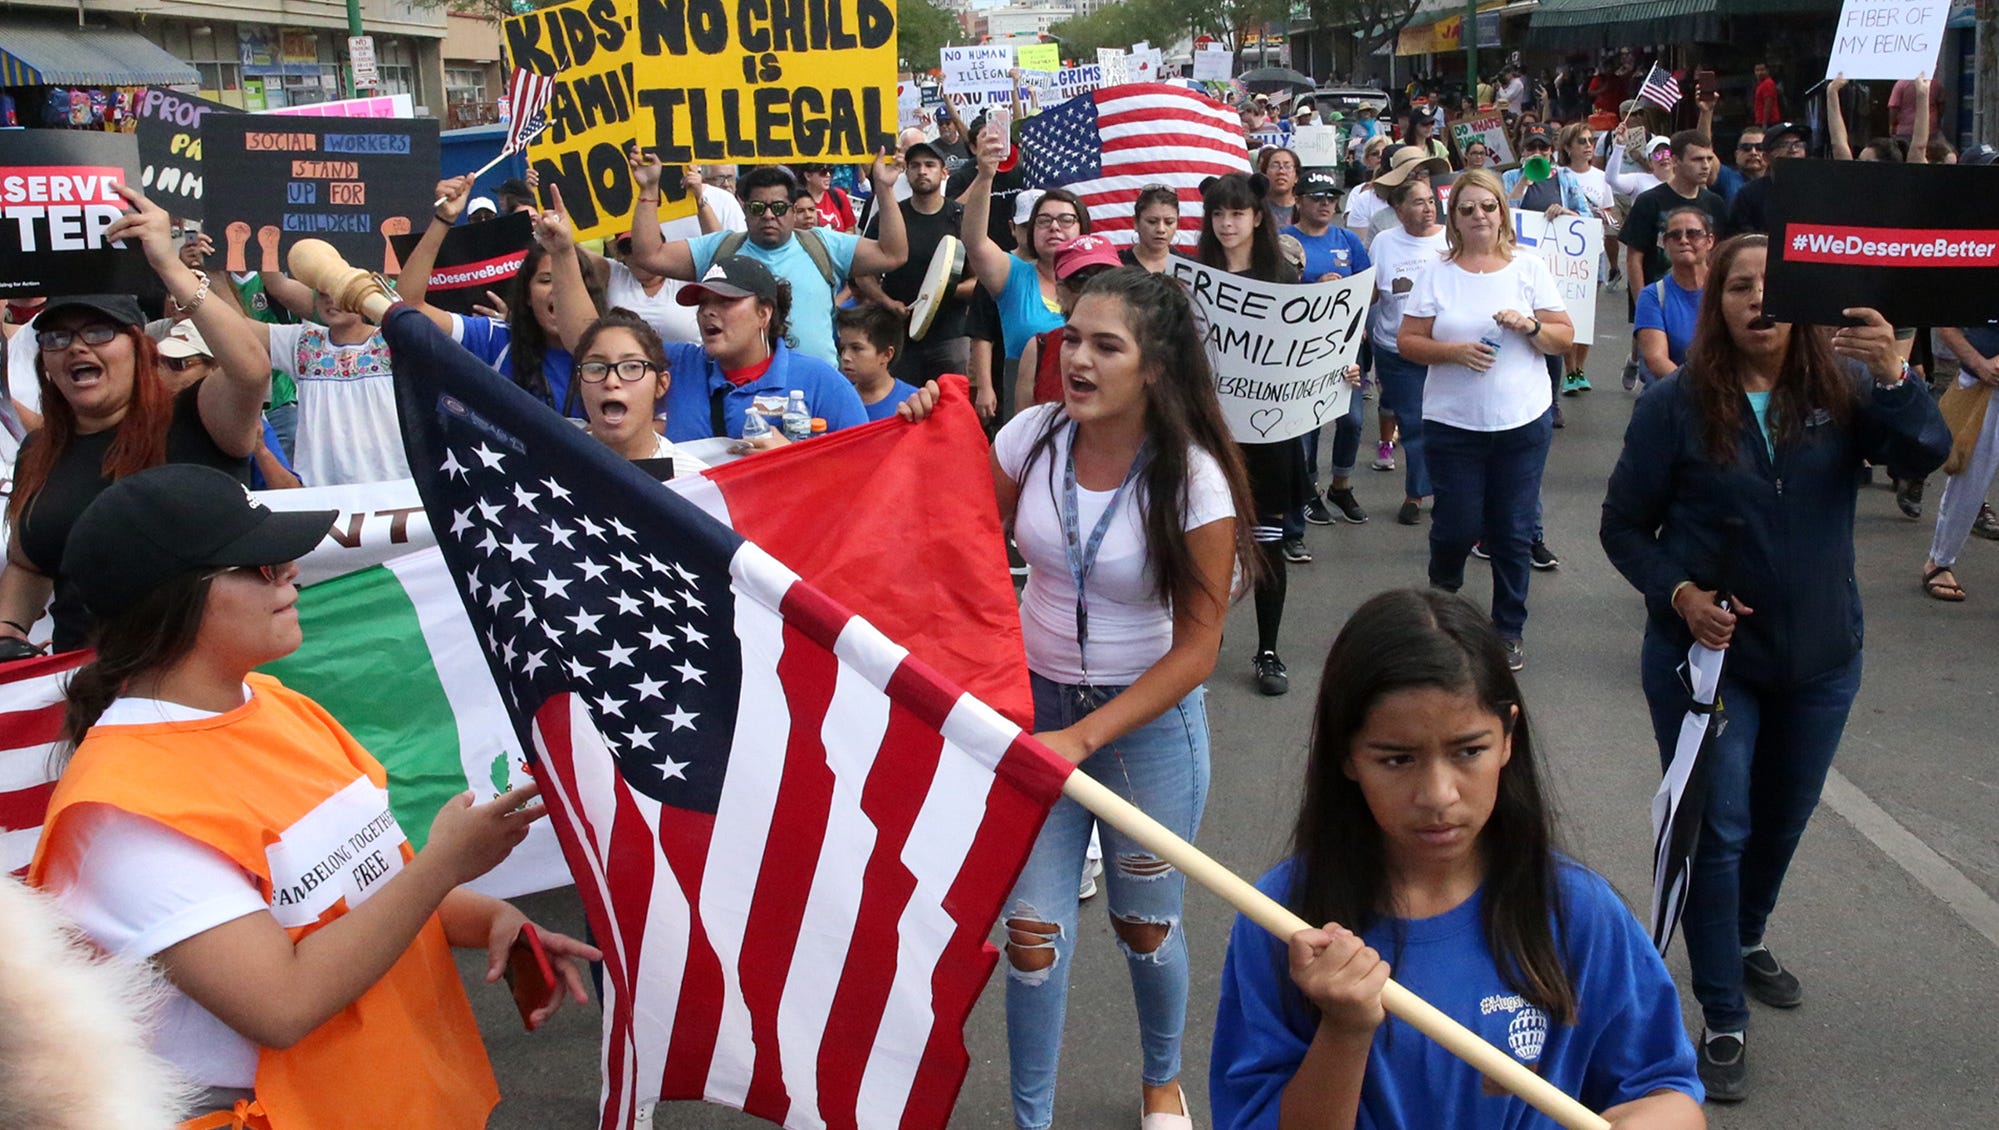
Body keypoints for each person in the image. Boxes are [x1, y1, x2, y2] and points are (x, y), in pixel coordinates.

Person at [28, 463, 599, 1128]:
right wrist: (446, 864)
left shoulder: (270, 701)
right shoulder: (120, 814)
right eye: (258, 564)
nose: (290, 570)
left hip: (404, 1100)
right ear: (174, 600)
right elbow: (281, 1004)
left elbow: (366, 885)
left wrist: (489, 919)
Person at [904, 267, 1260, 1130]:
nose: (1079, 360)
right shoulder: (1028, 437)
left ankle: (1161, 1080)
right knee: (1031, 935)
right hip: (1033, 714)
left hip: (1147, 730)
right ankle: (1033, 1119)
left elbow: (1199, 649)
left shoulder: (1195, 480)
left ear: (1157, 369)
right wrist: (918, 433)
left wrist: (1085, 737)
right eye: (1073, 339)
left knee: (1144, 924)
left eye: (1108, 345)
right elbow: (953, 541)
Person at [1600, 235, 1947, 1100]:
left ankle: (1745, 938)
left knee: (1781, 821)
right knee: (1718, 832)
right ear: (1714, 305)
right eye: (1739, 288)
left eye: (1773, 287)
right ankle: (1721, 1013)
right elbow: (1620, 528)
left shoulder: (1847, 386)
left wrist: (1899, 376)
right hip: (1707, 665)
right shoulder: (1675, 405)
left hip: (1823, 657)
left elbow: (1924, 453)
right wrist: (1678, 593)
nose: (1758, 301)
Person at [1209, 588, 1706, 1130]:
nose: (1439, 794)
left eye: (1469, 751)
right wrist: (1345, 1030)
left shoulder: (1577, 911)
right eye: (1397, 759)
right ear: (1347, 756)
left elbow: (1667, 1092)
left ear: (1508, 738)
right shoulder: (1284, 920)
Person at [0, 188, 274, 655]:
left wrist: (170, 266)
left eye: (99, 331)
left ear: (140, 347)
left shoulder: (195, 419)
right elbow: (30, 565)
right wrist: (8, 630)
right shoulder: (38, 450)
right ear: (44, 362)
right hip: (82, 683)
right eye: (58, 337)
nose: (77, 347)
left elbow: (251, 368)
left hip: (193, 675)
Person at [1396, 169, 1574, 671]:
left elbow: (1564, 336)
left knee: (1512, 531)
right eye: (1468, 208)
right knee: (1455, 526)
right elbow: (1408, 342)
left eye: (1488, 206)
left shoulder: (1528, 267)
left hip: (1522, 421)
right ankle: (1443, 610)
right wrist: (1453, 352)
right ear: (1454, 218)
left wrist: (1532, 326)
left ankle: (1508, 629)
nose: (1479, 216)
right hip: (1454, 425)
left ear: (1503, 212)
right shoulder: (1438, 272)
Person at [1195, 172, 1310, 697]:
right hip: (1208, 432)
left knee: (1266, 548)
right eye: (1219, 214)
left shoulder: (1284, 280)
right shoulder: (1193, 277)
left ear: (1258, 217)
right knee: (1206, 543)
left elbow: (1307, 350)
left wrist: (1339, 372)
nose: (1227, 223)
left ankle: (1268, 649)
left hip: (1269, 437)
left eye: (1237, 213)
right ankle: (1203, 640)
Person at [630, 155, 908, 367]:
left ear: (792, 209)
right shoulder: (721, 247)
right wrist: (648, 188)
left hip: (815, 394)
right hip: (741, 391)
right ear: (744, 208)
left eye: (778, 207)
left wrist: (883, 188)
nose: (768, 215)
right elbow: (649, 254)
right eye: (757, 207)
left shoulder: (824, 244)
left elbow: (892, 254)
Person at [851, 140, 982, 401]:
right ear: (906, 172)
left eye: (930, 165)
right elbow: (861, 273)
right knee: (901, 409)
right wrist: (886, 302)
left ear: (944, 172)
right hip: (899, 336)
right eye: (915, 165)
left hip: (951, 335)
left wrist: (941, 291)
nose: (922, 171)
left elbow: (980, 279)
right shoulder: (890, 217)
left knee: (952, 407)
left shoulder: (961, 217)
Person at [1283, 169, 1372, 531]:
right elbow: (1275, 291)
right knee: (1307, 425)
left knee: (1351, 420)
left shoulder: (1347, 240)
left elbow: (1371, 289)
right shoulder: (1283, 240)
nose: (1325, 204)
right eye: (1317, 197)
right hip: (1301, 348)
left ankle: (1341, 485)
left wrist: (1351, 297)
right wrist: (1314, 286)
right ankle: (1307, 491)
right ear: (1299, 202)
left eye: (1331, 198)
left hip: (1345, 346)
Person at [959, 128, 1080, 368]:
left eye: (1066, 220)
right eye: (1044, 221)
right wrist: (985, 177)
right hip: (1026, 398)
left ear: (1082, 228)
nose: (1055, 227)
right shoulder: (1014, 275)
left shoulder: (1100, 281)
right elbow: (975, 241)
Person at [1367, 179, 1449, 528]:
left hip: (1443, 350)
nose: (1428, 208)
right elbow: (1371, 292)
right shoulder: (1384, 243)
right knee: (1414, 422)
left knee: (1444, 423)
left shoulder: (1451, 239)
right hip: (1396, 350)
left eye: (1431, 201)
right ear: (1398, 210)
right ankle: (1416, 494)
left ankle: (1443, 492)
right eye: (1417, 202)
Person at [155, 321, 300, 491]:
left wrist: (260, 449)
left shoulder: (249, 424)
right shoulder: (139, 420)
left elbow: (290, 492)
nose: (160, 373)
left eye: (177, 364)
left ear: (216, 369)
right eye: (156, 362)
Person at [572, 309, 710, 473]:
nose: (611, 381)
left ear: (661, 384)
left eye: (632, 367)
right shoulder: (548, 468)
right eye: (595, 368)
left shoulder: (696, 480)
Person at [1921, 323, 1999, 600]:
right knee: (1969, 482)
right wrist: (1980, 364)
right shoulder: (1980, 279)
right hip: (1983, 386)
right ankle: (1939, 560)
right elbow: (1946, 326)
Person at [1017, 234, 1124, 410]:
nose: (1093, 289)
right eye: (1081, 279)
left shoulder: (1140, 344)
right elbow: (1022, 430)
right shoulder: (1038, 347)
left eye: (1106, 277)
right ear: (1060, 290)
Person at [1622, 131, 1726, 292]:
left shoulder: (1715, 203)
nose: (1706, 165)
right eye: (1697, 159)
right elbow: (1634, 259)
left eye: (1709, 159)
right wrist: (1643, 305)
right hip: (1659, 296)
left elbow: (1721, 256)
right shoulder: (1649, 201)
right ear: (1676, 160)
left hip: (1705, 299)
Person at [1634, 207, 1715, 384]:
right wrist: (1699, 390)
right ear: (1665, 243)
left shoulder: (1727, 289)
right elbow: (1656, 359)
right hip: (1673, 396)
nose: (1684, 240)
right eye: (1675, 235)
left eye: (1693, 234)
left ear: (1709, 241)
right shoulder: (1653, 296)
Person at [835, 303, 921, 422]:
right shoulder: (837, 400)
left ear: (887, 354)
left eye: (856, 348)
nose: (845, 357)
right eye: (843, 348)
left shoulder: (913, 403)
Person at [1724, 122, 1807, 236]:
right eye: (1784, 145)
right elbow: (1741, 239)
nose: (1793, 150)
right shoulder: (1749, 194)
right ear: (1766, 157)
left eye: (1798, 144)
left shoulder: (1817, 189)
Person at [1342, 136, 1395, 239]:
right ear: (1366, 159)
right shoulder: (1358, 192)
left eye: (1384, 153)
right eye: (1375, 154)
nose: (1380, 156)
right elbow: (1352, 228)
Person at [1123, 184, 1183, 274]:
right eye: (1152, 221)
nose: (1161, 229)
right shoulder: (1116, 265)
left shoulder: (1191, 268)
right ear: (1136, 222)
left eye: (1169, 222)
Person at [796, 163, 856, 232]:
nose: (828, 175)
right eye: (823, 172)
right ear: (808, 176)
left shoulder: (839, 195)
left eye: (831, 171)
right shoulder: (797, 199)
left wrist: (840, 242)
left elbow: (850, 228)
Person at [1258, 148, 1302, 227]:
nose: (1281, 172)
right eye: (1275, 166)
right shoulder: (1256, 208)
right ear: (1265, 174)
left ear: (1296, 177)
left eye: (1287, 166)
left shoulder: (1305, 209)